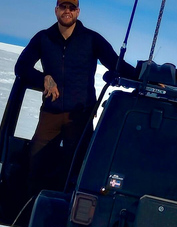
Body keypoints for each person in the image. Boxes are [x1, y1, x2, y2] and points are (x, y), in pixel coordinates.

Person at [15, 0, 137, 194]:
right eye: (63, 7)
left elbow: (116, 64)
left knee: (78, 169)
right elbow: (21, 67)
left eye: (72, 8)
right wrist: (43, 78)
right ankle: (32, 211)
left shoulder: (92, 39)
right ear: (56, 10)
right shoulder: (43, 38)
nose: (67, 11)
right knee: (35, 163)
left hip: (79, 117)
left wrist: (146, 77)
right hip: (51, 114)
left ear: (78, 12)